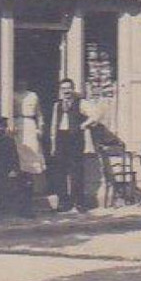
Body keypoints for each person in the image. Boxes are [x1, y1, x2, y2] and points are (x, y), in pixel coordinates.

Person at [47, 78, 91, 212]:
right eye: (63, 89)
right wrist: (53, 144)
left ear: (73, 89)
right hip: (61, 138)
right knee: (60, 171)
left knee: (76, 171)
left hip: (75, 138)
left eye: (68, 88)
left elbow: (96, 114)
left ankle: (79, 203)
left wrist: (83, 125)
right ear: (61, 91)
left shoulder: (81, 103)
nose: (66, 91)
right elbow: (54, 124)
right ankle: (64, 202)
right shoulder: (57, 105)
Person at [0, 116, 32, 216]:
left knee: (20, 182)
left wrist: (14, 170)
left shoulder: (9, 140)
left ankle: (18, 210)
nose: (0, 129)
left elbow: (14, 156)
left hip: (7, 168)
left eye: (3, 127)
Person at [14, 87, 46, 185]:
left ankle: (37, 185)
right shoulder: (13, 94)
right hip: (18, 124)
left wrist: (40, 128)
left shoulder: (33, 95)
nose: (21, 83)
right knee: (20, 151)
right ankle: (22, 183)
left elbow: (39, 113)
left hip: (30, 124)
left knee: (34, 152)